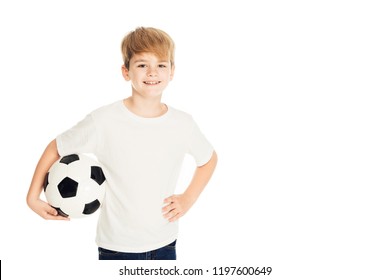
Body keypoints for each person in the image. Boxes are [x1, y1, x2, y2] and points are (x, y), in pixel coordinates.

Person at [26, 27, 218, 260]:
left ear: (172, 71)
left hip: (165, 243)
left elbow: (208, 159)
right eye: (141, 65)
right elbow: (56, 147)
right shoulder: (103, 121)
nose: (152, 72)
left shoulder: (182, 123)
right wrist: (32, 197)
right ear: (125, 71)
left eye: (161, 65)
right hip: (117, 248)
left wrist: (188, 198)